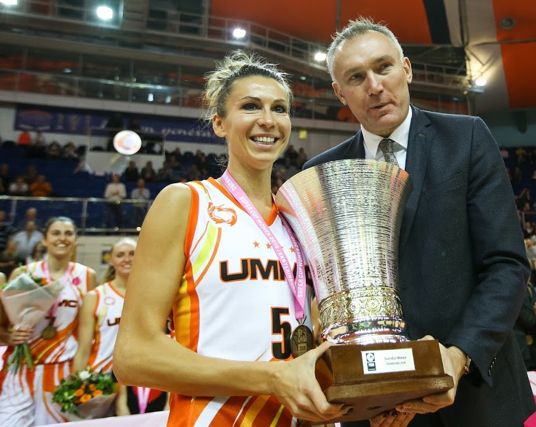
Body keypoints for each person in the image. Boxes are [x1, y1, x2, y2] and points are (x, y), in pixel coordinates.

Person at [304, 18, 534, 426]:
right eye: (356, 77)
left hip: (475, 397)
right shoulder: (323, 173)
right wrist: (370, 393)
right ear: (340, 92)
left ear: (406, 69)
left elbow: (507, 265)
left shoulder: (466, 138)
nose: (374, 86)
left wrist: (458, 357)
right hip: (372, 407)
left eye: (383, 67)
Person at [113, 51, 346, 426]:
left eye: (280, 109)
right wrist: (271, 378)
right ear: (219, 123)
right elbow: (132, 356)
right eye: (251, 106)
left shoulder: (299, 219)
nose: (268, 120)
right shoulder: (186, 202)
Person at [0, 216, 97, 425]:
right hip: (22, 367)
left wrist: (80, 373)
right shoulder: (23, 274)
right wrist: (9, 337)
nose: (62, 238)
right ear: (44, 240)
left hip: (62, 370)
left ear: (75, 240)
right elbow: (2, 324)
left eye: (68, 233)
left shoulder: (87, 276)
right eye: (56, 233)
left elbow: (87, 332)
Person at [73, 238, 137, 416]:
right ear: (111, 260)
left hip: (137, 378)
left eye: (132, 254)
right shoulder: (96, 296)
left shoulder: (150, 294)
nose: (127, 259)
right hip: (102, 378)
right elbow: (83, 349)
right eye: (120, 255)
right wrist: (76, 384)